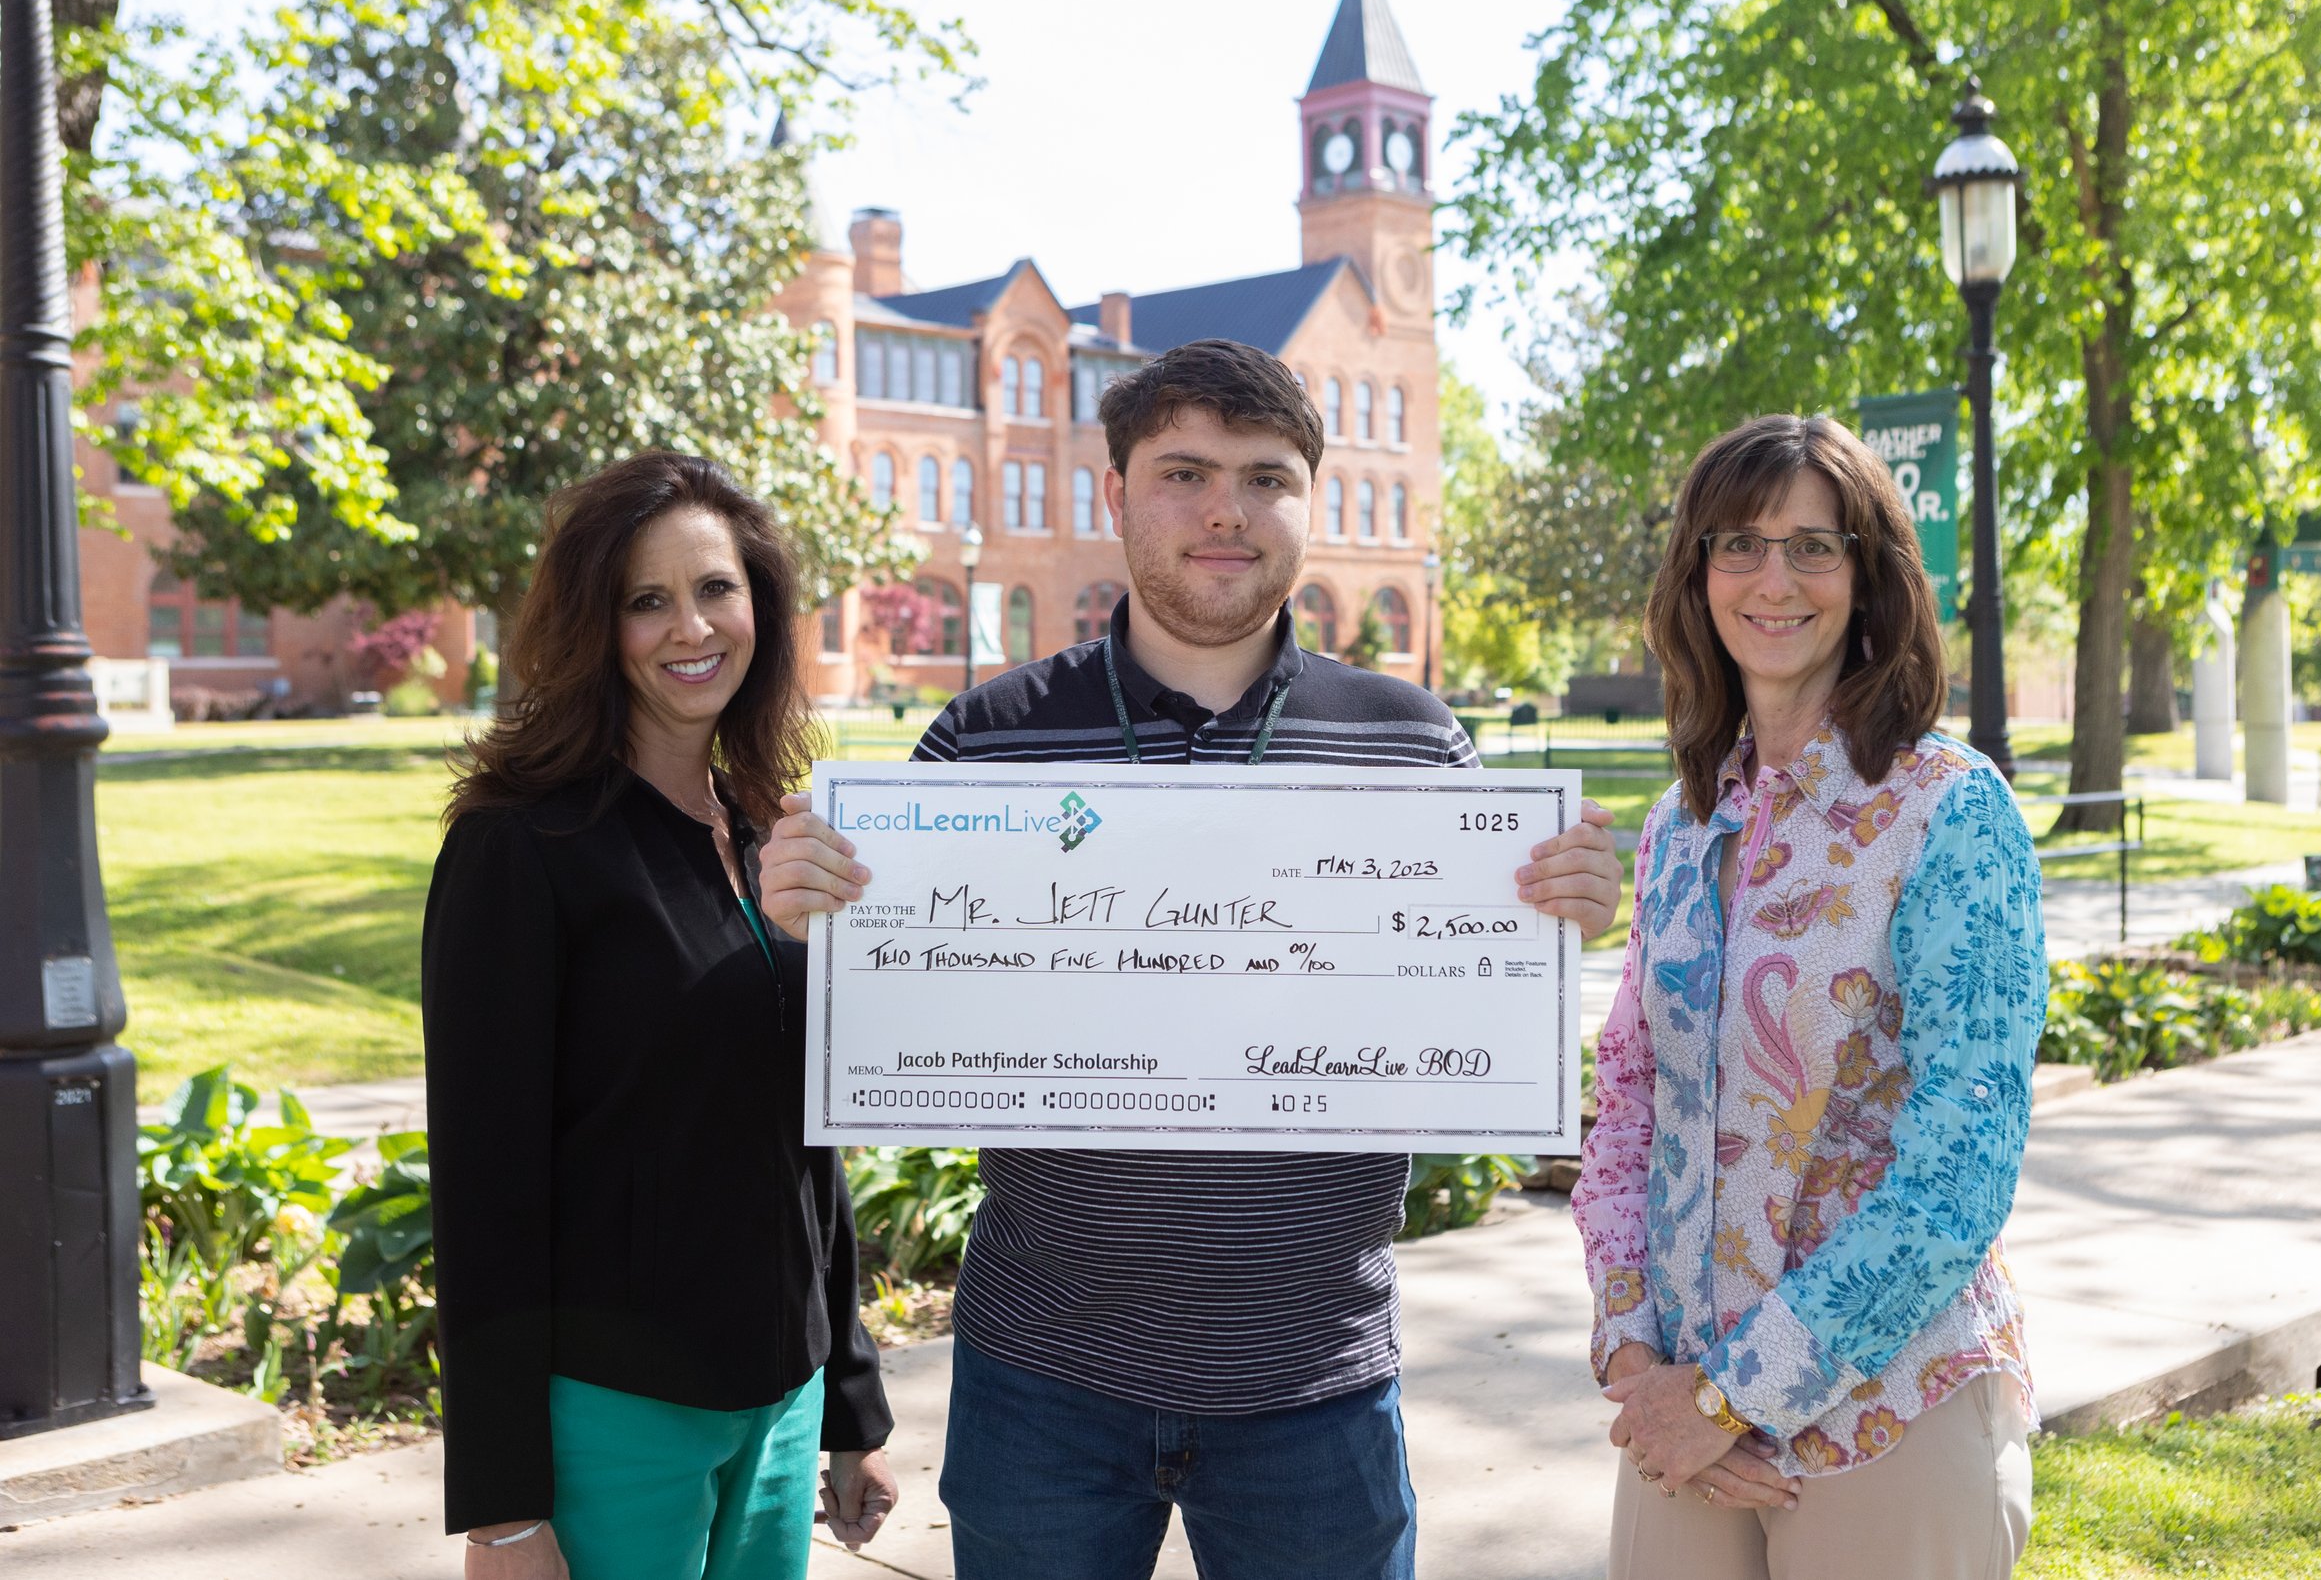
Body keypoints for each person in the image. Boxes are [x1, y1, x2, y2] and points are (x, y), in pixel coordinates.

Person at [756, 338, 1624, 1580]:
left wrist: (1560, 907)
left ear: (1307, 504)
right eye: (1184, 472)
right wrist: (813, 927)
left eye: (1266, 476)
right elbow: (874, 1011)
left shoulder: (1418, 749)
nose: (1227, 509)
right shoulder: (986, 740)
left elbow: (1481, 987)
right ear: (1112, 494)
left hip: (1316, 1379)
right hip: (1041, 1378)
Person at [1575, 415, 2045, 1580]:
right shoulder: (1682, 823)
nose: (1771, 578)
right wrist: (1636, 1360)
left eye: (1813, 547)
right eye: (1736, 544)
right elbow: (1630, 1101)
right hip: (1683, 1415)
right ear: (1696, 575)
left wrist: (1741, 1391)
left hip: (1885, 1406)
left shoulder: (1949, 809)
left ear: (1868, 577)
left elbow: (1960, 1167)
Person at [424, 451, 896, 1580]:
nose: (691, 625)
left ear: (760, 605)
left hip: (777, 1403)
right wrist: (500, 1508)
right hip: (613, 1416)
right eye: (648, 599)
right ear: (597, 623)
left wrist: (848, 1398)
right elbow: (483, 1182)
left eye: (716, 588)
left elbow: (802, 1126)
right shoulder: (521, 845)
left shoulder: (772, 827)